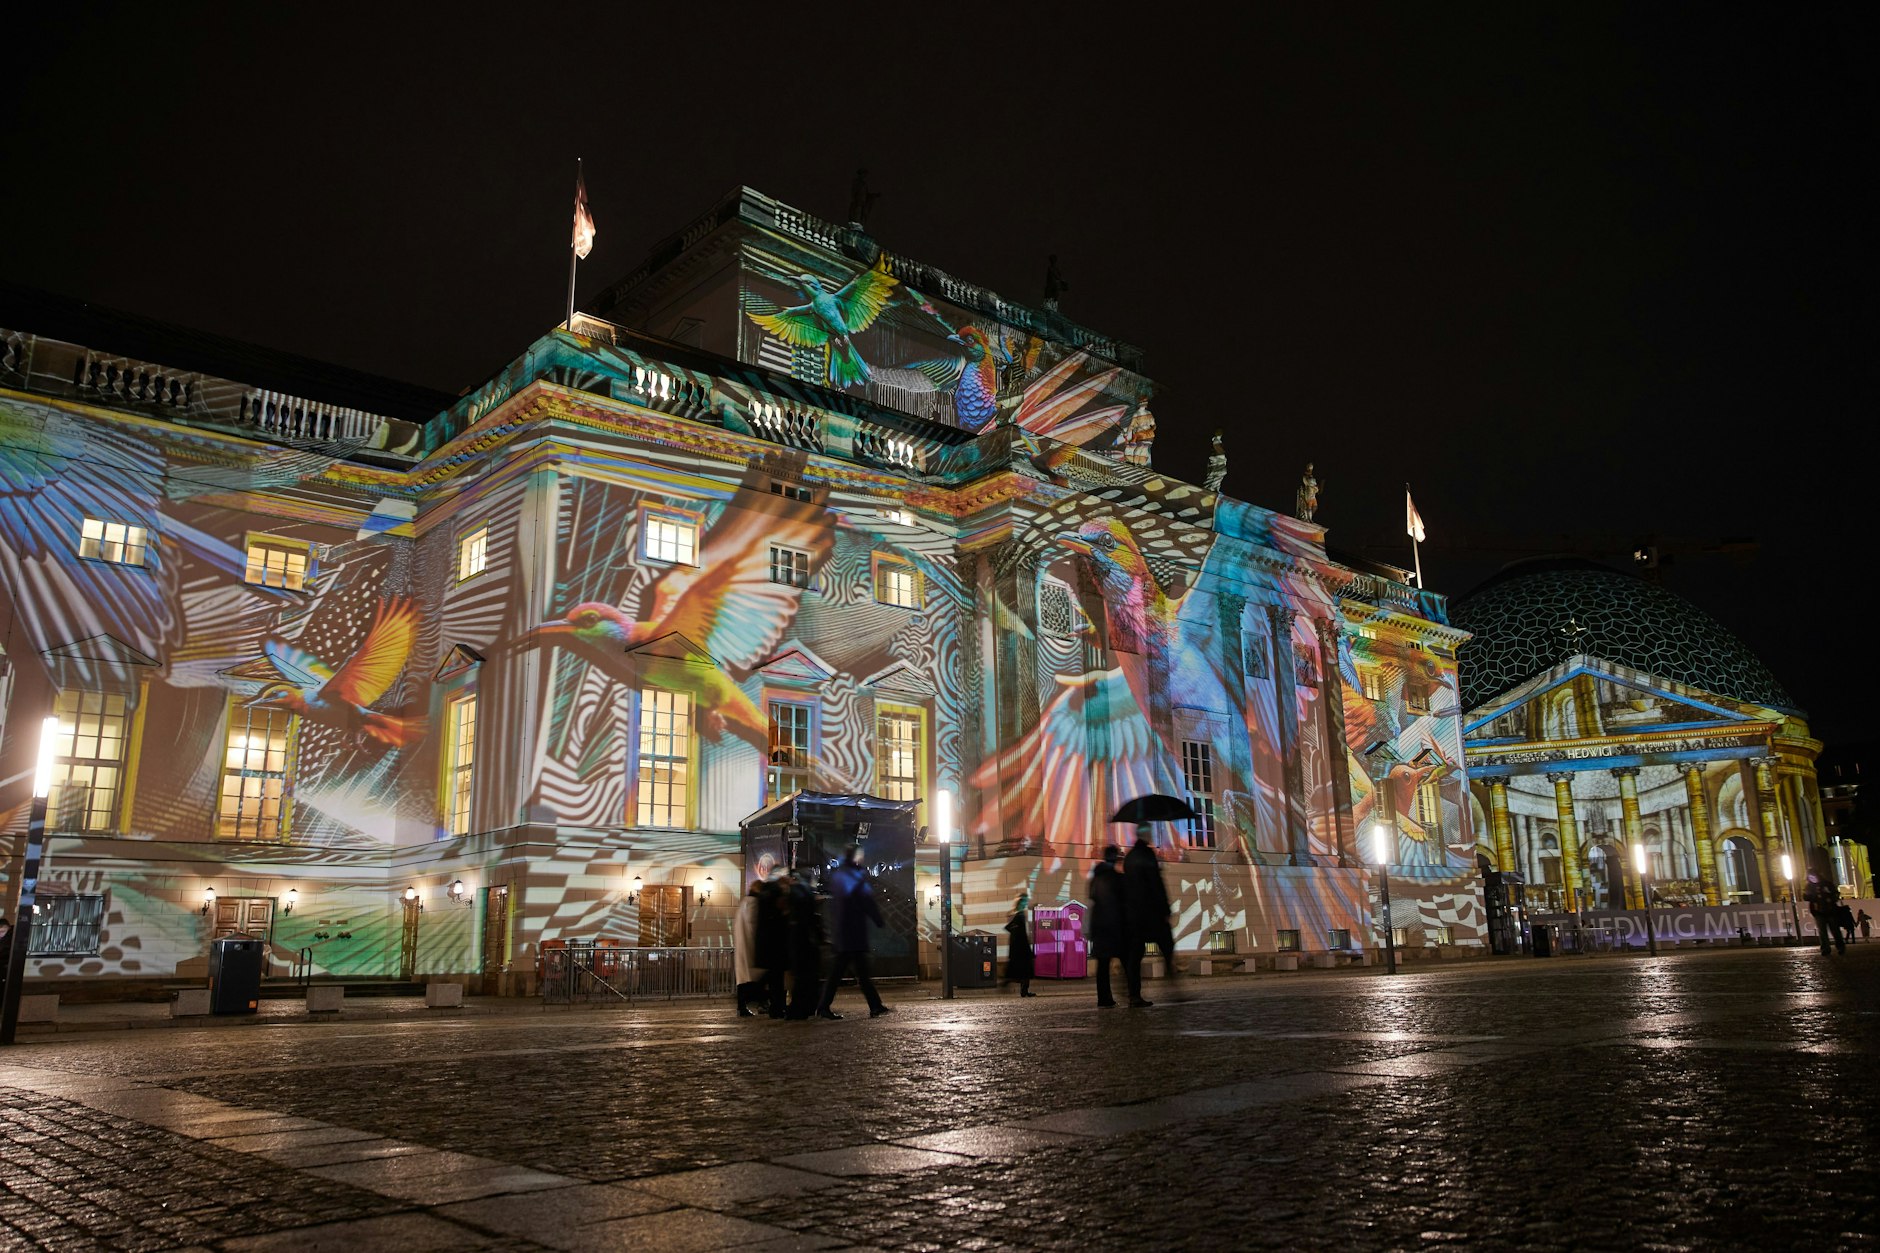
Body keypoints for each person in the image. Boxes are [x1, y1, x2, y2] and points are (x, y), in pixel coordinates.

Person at [817, 846, 890, 1019]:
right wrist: (878, 920)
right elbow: (866, 901)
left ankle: (874, 1005)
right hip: (853, 934)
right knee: (856, 975)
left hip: (843, 934)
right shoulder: (855, 877)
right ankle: (873, 1006)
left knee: (842, 975)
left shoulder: (840, 876)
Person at [1122, 825, 1178, 1007]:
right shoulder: (1147, 855)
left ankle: (1134, 995)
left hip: (1133, 914)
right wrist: (1165, 910)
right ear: (1145, 835)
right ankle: (1173, 987)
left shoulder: (1129, 857)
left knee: (1135, 957)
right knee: (1167, 947)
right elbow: (1155, 884)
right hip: (1151, 913)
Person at [784, 868, 826, 1021]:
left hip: (799, 940)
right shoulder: (807, 893)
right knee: (807, 976)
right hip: (807, 940)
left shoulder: (796, 892)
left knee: (801, 977)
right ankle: (806, 1007)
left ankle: (799, 1007)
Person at [1088, 847, 1125, 1007]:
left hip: (1099, 926)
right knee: (1127, 960)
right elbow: (1121, 902)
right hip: (1114, 927)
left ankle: (1104, 998)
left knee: (1102, 966)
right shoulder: (1115, 878)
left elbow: (1093, 901)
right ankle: (1132, 994)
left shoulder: (1095, 879)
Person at [755, 871, 790, 1018]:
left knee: (774, 978)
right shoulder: (775, 894)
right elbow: (780, 919)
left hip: (769, 945)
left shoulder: (765, 894)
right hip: (776, 945)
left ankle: (776, 1006)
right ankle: (777, 1007)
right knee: (776, 979)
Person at [733, 880, 765, 1017]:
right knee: (757, 976)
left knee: (743, 979)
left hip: (742, 945)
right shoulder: (753, 903)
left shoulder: (743, 902)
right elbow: (754, 925)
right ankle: (761, 1003)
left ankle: (743, 1006)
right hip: (750, 946)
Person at [1801, 871, 1843, 956]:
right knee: (1822, 931)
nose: (1812, 879)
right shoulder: (1809, 886)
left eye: (1813, 877)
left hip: (1830, 910)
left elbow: (1836, 894)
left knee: (1835, 930)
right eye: (1810, 878)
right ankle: (1825, 948)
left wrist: (1829, 896)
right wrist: (1813, 896)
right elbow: (1805, 897)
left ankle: (1840, 947)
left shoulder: (1827, 884)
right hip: (1818, 912)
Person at [1004, 893, 1036, 997]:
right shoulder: (1020, 915)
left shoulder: (1013, 914)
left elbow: (1009, 928)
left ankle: (1023, 990)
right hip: (1022, 947)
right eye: (1025, 901)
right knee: (1026, 969)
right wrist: (1028, 949)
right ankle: (1021, 989)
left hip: (1015, 946)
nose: (1026, 903)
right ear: (1021, 902)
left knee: (1021, 969)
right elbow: (1023, 934)